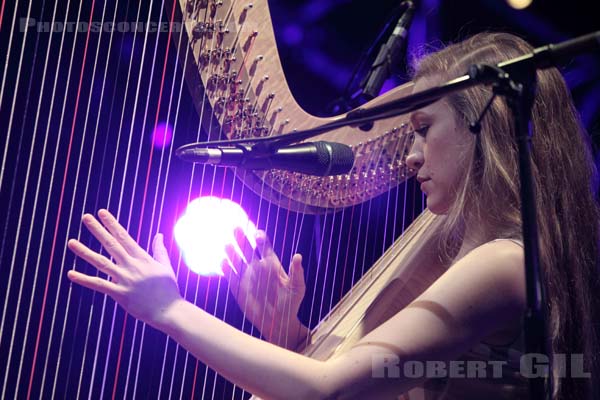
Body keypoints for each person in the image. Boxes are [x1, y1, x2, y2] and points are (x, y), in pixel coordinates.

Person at [66, 32, 600, 399]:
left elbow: (330, 390)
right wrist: (289, 333)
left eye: (422, 128)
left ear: (487, 129)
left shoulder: (505, 262)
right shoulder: (483, 256)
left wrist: (169, 309)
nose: (410, 154)